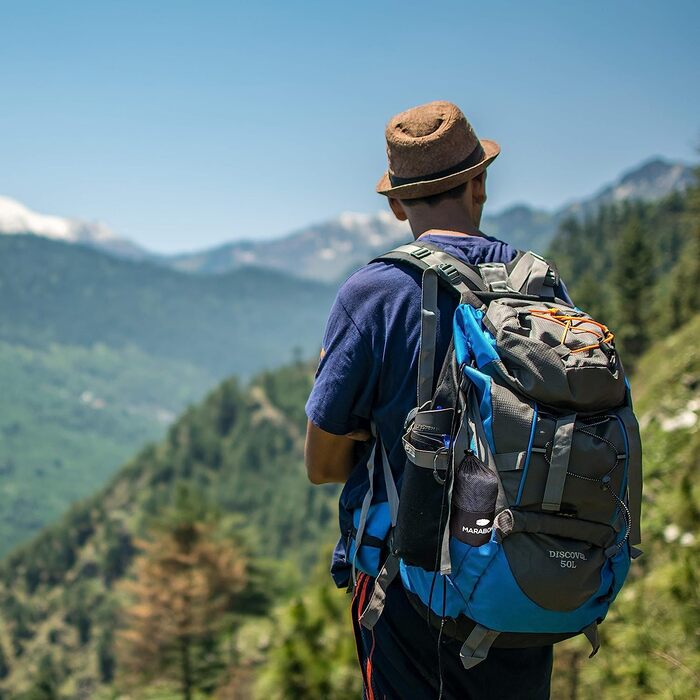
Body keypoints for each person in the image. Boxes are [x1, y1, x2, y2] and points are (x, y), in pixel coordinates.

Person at [304, 101, 565, 699]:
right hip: (524, 580)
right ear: (481, 184)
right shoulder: (537, 284)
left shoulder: (375, 293)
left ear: (396, 204)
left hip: (413, 590)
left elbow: (321, 467)